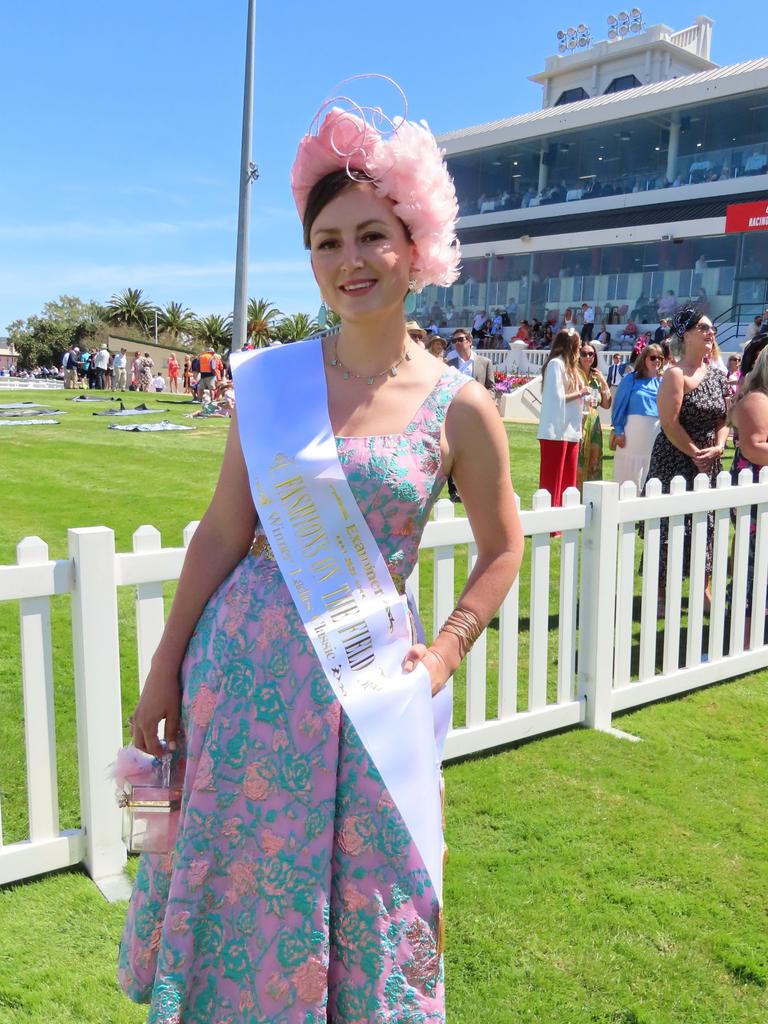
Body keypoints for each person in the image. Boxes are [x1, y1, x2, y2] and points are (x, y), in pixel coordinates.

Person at [119, 91, 524, 1023]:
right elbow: (222, 534)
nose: (352, 261)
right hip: (243, 682)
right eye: (328, 241)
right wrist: (165, 669)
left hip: (371, 690)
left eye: (372, 235)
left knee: (370, 886)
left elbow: (503, 547)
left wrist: (451, 647)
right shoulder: (270, 383)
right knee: (238, 883)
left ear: (416, 243)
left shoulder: (464, 406)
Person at [644, 307, 731, 611]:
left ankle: (703, 589)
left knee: (705, 526)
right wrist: (694, 452)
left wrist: (718, 448)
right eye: (704, 328)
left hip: (708, 460)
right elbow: (669, 422)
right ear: (687, 335)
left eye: (712, 330)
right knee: (668, 527)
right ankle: (660, 592)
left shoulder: (719, 377)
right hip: (675, 459)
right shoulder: (674, 375)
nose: (711, 334)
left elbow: (724, 420)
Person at [729, 344, 768, 641]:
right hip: (755, 497)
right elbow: (754, 447)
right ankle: (743, 638)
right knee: (753, 565)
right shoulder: (757, 399)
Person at [537, 328, 590, 506]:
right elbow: (556, 398)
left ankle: (565, 519)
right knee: (553, 481)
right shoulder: (555, 365)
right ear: (571, 346)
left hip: (570, 429)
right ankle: (551, 524)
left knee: (568, 481)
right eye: (579, 345)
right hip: (555, 431)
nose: (581, 348)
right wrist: (581, 393)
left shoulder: (572, 369)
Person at [611, 343, 663, 491]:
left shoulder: (663, 382)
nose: (657, 361)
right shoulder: (630, 379)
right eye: (653, 357)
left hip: (654, 438)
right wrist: (619, 430)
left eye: (660, 357)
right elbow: (619, 406)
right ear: (644, 359)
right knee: (628, 477)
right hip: (631, 437)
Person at [576, 343, 612, 488]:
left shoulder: (597, 377)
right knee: (578, 459)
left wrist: (603, 382)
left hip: (594, 424)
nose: (588, 357)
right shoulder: (575, 374)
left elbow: (606, 404)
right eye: (584, 353)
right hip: (579, 421)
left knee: (594, 461)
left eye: (591, 354)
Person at [445, 330, 496, 396]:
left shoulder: (485, 363)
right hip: (457, 404)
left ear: (470, 341)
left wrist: (483, 400)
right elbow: (446, 388)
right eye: (454, 341)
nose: (457, 343)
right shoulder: (449, 365)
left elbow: (492, 388)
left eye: (460, 339)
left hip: (477, 403)